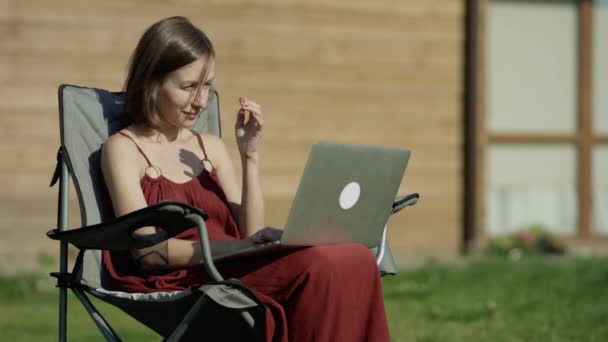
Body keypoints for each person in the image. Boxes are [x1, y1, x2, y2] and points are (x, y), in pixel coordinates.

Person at [101, 16, 390, 342]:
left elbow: (250, 231)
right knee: (322, 264)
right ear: (151, 82)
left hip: (236, 265)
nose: (201, 101)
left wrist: (249, 155)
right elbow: (149, 254)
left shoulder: (207, 146)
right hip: (193, 279)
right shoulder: (123, 149)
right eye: (188, 88)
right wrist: (240, 247)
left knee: (355, 256)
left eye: (207, 85)